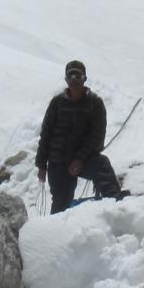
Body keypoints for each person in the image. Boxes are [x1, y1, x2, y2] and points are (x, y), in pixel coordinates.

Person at [35, 60, 124, 211]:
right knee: (60, 205)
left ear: (85, 79)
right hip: (58, 161)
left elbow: (97, 137)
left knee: (102, 164)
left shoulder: (95, 104)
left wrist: (79, 159)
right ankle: (53, 232)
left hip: (84, 160)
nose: (74, 79)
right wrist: (42, 165)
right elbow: (46, 134)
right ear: (66, 79)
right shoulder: (56, 103)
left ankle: (117, 209)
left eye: (78, 75)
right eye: (71, 75)